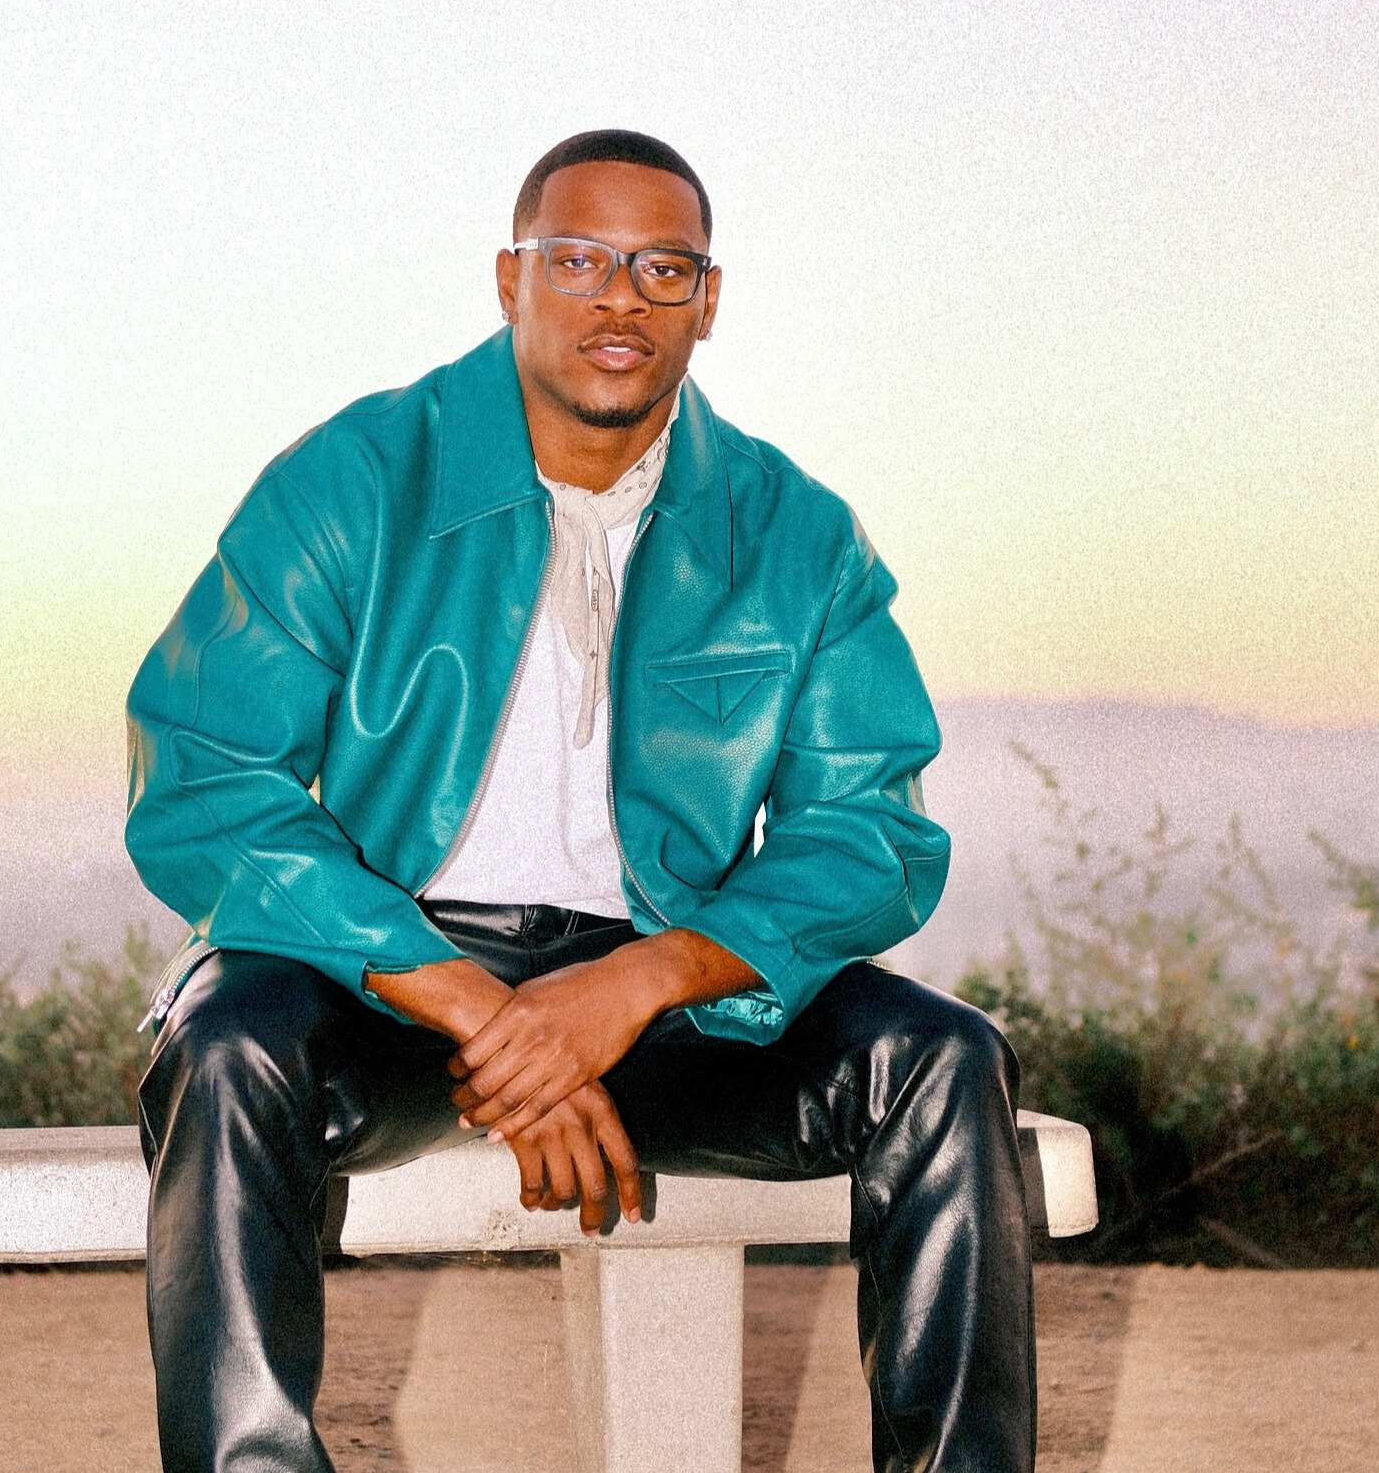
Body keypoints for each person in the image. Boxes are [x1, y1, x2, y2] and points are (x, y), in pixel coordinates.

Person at [123, 129, 1035, 1473]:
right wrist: (484, 1011)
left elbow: (871, 834)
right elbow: (204, 777)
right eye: (582, 260)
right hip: (392, 983)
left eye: (664, 268)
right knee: (223, 1042)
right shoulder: (356, 479)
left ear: (708, 302)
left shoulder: (797, 534)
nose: (623, 299)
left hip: (677, 1003)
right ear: (512, 279)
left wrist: (639, 982)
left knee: (944, 1063)